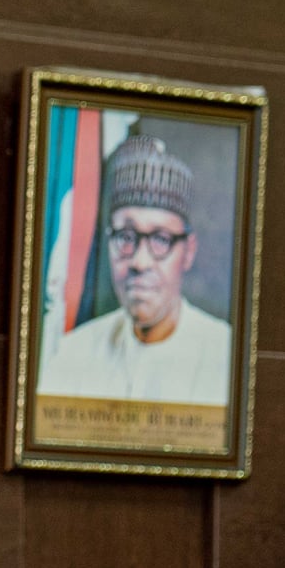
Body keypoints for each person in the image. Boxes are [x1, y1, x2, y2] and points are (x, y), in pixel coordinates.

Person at [38, 132, 233, 405]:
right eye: (126, 238)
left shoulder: (225, 356)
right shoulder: (74, 353)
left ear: (188, 252)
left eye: (161, 239)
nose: (140, 262)